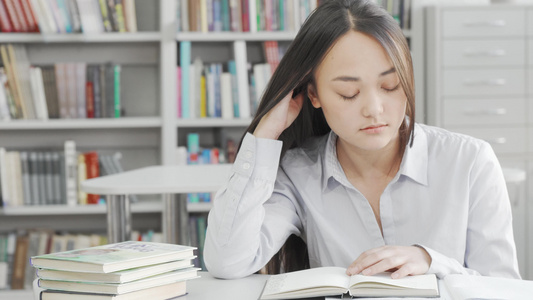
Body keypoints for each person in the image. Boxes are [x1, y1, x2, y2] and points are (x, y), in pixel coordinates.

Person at [203, 0, 520, 280]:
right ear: (313, 94)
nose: (374, 109)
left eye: (390, 85)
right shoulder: (298, 173)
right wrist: (266, 133)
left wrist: (431, 261)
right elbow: (228, 261)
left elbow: (503, 287)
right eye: (348, 93)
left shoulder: (470, 161)